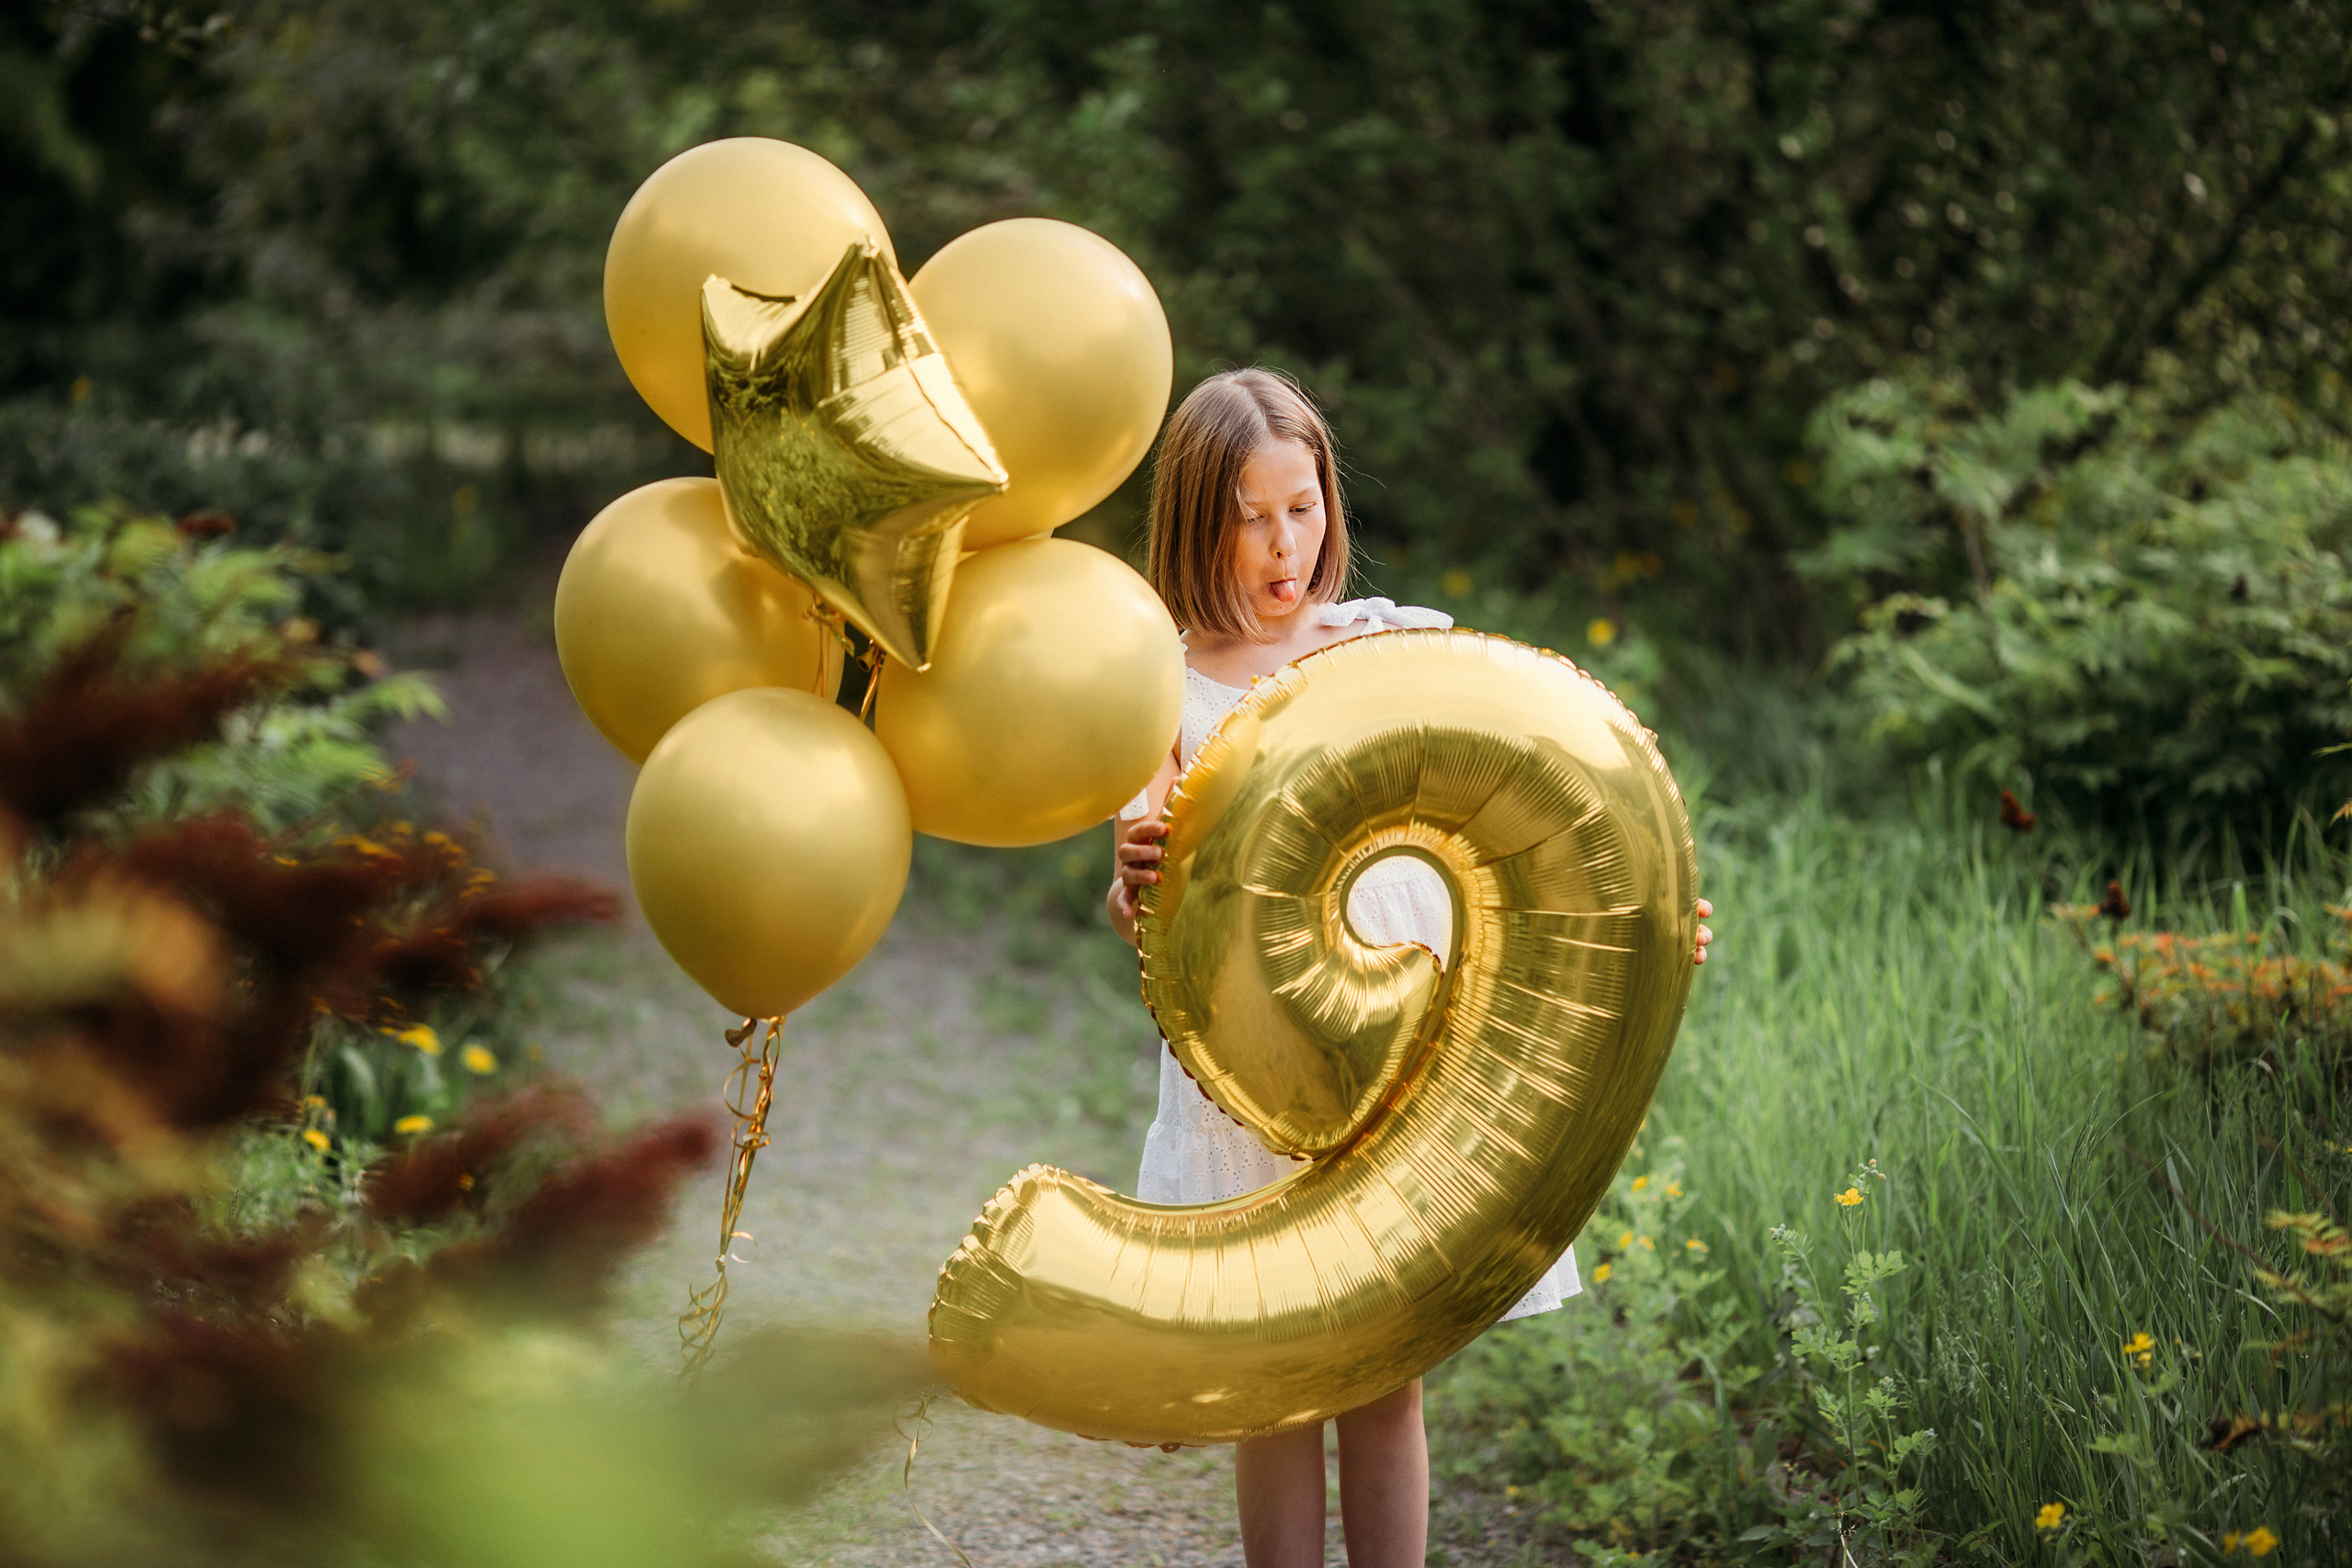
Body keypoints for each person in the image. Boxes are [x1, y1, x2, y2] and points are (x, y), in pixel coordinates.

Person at [1105, 367, 1713, 1568]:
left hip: (1406, 1067)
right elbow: (1143, 917)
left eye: (1305, 505)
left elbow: (1536, 805)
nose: (1287, 545)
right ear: (1193, 519)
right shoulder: (1154, 689)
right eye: (1250, 515)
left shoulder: (1393, 646)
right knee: (1275, 1383)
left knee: (1385, 1378)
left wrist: (1638, 917)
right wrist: (1132, 883)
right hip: (1254, 1090)